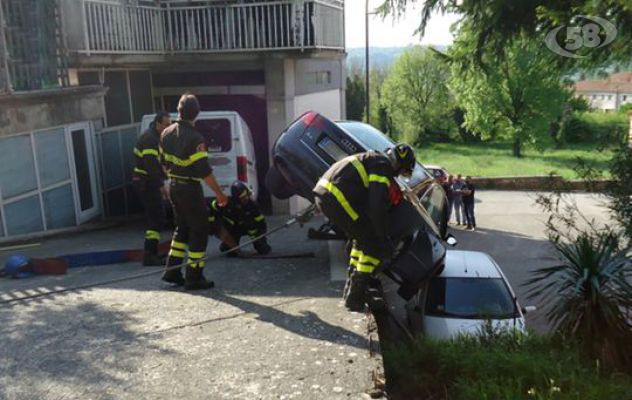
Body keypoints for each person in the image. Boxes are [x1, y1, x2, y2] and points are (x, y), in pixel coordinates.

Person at [313, 143, 416, 312]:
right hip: (336, 197)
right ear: (399, 164)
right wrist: (383, 237)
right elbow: (376, 204)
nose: (398, 175)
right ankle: (356, 295)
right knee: (374, 244)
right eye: (402, 170)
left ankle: (353, 290)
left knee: (362, 238)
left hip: (328, 196)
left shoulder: (373, 159)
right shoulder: (382, 166)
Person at [159, 93, 228, 290]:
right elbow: (203, 170)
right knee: (199, 230)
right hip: (190, 189)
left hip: (174, 187)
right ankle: (194, 277)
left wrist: (175, 176)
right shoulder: (196, 138)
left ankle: (172, 271)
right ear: (196, 113)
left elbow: (163, 163)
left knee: (182, 228)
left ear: (179, 111)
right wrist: (220, 194)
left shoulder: (166, 133)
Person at [133, 111, 171, 266]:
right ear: (158, 124)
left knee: (158, 218)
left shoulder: (155, 137)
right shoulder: (150, 140)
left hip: (147, 182)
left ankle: (152, 253)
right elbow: (151, 166)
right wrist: (162, 186)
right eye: (166, 125)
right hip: (146, 183)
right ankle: (149, 256)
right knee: (156, 219)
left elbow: (158, 164)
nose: (169, 127)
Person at [208, 180, 271, 257]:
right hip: (234, 229)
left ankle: (261, 245)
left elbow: (261, 222)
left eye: (246, 195)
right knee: (231, 253)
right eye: (242, 197)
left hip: (251, 229)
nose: (246, 199)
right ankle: (226, 246)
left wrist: (260, 238)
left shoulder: (252, 205)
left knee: (263, 250)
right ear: (236, 198)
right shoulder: (227, 203)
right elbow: (211, 206)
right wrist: (212, 223)